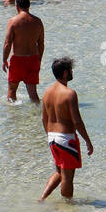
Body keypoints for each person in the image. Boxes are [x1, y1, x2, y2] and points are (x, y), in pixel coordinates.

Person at [38, 57, 92, 201]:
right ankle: (68, 208)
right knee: (68, 177)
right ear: (65, 73)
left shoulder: (47, 93)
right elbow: (77, 121)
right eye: (71, 70)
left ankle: (42, 199)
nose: (72, 72)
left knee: (59, 172)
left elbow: (44, 119)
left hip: (52, 137)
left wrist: (50, 137)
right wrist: (87, 141)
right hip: (66, 139)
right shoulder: (70, 94)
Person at [3, 0, 44, 103]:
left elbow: (7, 43)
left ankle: (14, 117)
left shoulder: (13, 21)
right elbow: (41, 44)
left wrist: (4, 60)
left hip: (18, 60)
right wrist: (39, 59)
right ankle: (38, 116)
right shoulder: (38, 21)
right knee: (33, 94)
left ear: (17, 6)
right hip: (33, 59)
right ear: (29, 5)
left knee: (12, 92)